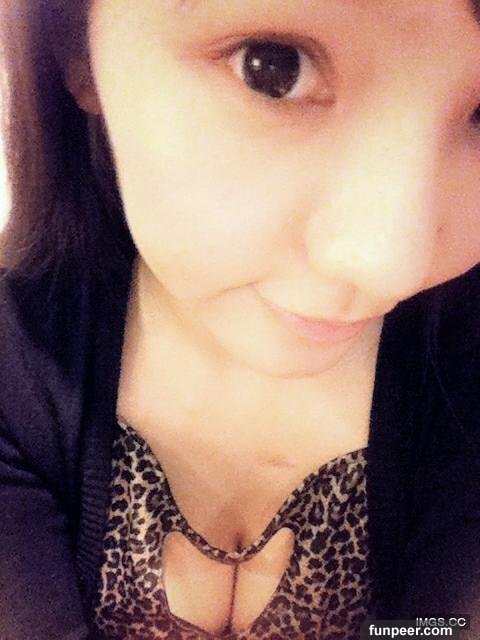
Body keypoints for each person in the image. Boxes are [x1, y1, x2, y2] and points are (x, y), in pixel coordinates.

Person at [0, 1, 480, 638]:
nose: (391, 265)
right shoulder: (17, 374)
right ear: (76, 49)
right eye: (272, 67)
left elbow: (435, 629)